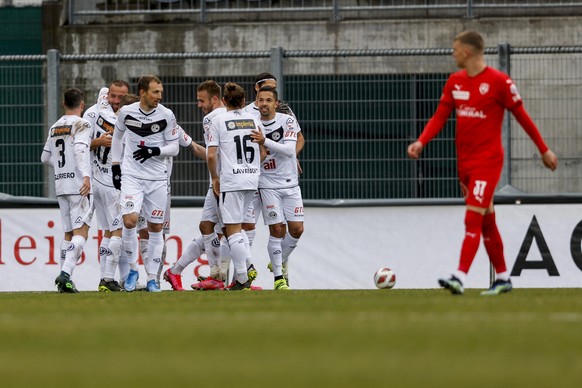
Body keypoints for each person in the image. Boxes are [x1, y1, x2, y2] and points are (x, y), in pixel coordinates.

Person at [407, 30, 558, 296]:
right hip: (464, 164)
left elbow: (522, 117)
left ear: (467, 51)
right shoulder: (455, 82)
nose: (452, 54)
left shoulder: (499, 82)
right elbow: (439, 117)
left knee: (472, 218)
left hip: (487, 163)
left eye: (455, 49)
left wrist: (544, 150)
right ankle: (502, 278)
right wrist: (421, 141)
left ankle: (459, 276)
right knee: (487, 220)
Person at [110, 74, 180, 292]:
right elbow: (117, 139)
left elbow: (174, 147)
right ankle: (133, 270)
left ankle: (151, 278)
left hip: (157, 179)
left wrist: (154, 151)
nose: (160, 96)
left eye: (161, 91)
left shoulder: (166, 114)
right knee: (130, 221)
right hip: (132, 177)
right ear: (142, 92)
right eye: (155, 92)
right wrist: (115, 165)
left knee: (155, 228)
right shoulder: (126, 112)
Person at [164, 80, 226, 291]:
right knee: (219, 231)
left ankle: (182, 272)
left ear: (215, 99)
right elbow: (208, 153)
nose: (199, 105)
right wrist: (188, 141)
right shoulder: (227, 116)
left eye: (202, 101)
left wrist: (215, 178)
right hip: (227, 183)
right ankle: (218, 277)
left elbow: (211, 155)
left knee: (217, 229)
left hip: (223, 183)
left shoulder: (212, 119)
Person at [207, 82, 263, 290]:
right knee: (237, 228)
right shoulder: (255, 120)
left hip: (231, 180)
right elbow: (263, 151)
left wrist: (215, 178)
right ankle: (244, 272)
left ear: (223, 101)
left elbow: (211, 154)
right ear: (244, 101)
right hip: (252, 179)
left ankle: (242, 276)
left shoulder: (219, 120)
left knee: (232, 230)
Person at [250, 85, 304, 290]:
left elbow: (290, 150)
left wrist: (264, 141)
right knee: (276, 229)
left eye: (268, 100)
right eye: (260, 100)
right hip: (267, 184)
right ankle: (279, 279)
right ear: (257, 103)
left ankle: (276, 260)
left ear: (276, 103)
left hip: (290, 184)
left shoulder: (287, 121)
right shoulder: (251, 124)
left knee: (297, 229)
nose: (264, 104)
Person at [41, 87, 94, 293]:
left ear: (64, 103)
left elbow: (45, 158)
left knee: (68, 233)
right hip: (79, 185)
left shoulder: (54, 127)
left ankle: (65, 279)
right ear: (82, 105)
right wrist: (86, 175)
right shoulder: (82, 123)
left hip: (61, 184)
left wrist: (64, 168)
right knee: (82, 231)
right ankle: (65, 275)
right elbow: (81, 149)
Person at [84, 81, 130, 292]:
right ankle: (108, 278)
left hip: (102, 182)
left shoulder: (105, 113)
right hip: (110, 182)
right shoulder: (95, 115)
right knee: (117, 230)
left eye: (121, 97)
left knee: (108, 233)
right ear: (107, 94)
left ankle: (104, 278)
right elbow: (81, 144)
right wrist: (98, 142)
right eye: (113, 96)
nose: (116, 101)